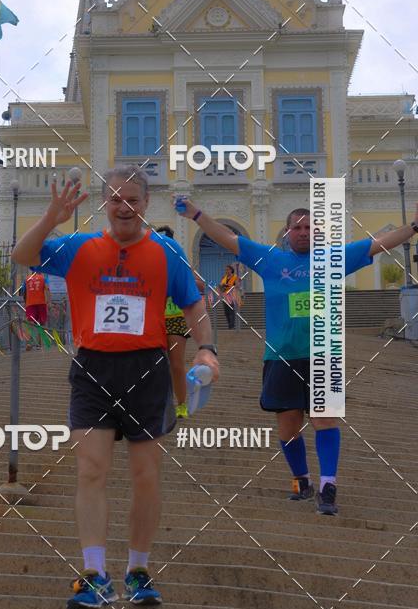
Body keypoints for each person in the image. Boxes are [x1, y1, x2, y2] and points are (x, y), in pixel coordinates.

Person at [12, 167, 219, 609]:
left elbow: (194, 303)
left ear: (147, 204)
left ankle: (138, 571)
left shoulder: (166, 251)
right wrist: (51, 217)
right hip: (93, 369)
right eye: (116, 200)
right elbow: (21, 255)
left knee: (146, 475)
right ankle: (95, 574)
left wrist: (207, 349)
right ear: (105, 204)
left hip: (147, 369)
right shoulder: (78, 246)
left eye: (133, 200)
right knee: (91, 471)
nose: (125, 207)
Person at [176, 197, 418, 515]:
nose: (304, 232)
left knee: (323, 420)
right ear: (287, 232)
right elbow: (227, 238)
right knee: (289, 427)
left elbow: (377, 244)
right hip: (281, 357)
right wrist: (196, 214)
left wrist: (413, 227)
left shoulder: (333, 259)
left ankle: (328, 486)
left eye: (310, 228)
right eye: (298, 228)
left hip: (323, 355)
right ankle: (300, 481)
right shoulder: (271, 259)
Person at [156, 225, 206, 419]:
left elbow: (200, 285)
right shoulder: (147, 261)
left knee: (176, 363)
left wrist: (183, 280)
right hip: (154, 319)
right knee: (156, 364)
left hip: (176, 318)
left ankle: (182, 404)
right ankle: (160, 402)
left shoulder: (180, 262)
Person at [219, 264, 241, 330]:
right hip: (225, 296)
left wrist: (230, 286)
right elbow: (220, 286)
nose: (226, 271)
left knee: (231, 310)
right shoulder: (223, 277)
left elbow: (237, 286)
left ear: (231, 270)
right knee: (226, 312)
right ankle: (230, 325)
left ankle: (231, 326)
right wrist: (222, 287)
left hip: (232, 295)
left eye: (227, 269)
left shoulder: (235, 277)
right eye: (226, 270)